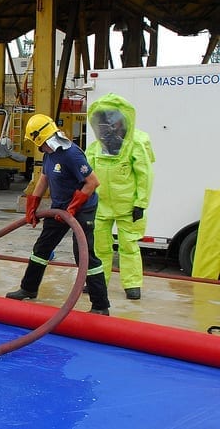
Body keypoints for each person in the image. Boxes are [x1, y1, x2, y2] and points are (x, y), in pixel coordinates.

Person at [5, 114, 111, 315]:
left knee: (84, 255)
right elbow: (44, 179)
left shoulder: (72, 155)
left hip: (81, 210)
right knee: (42, 248)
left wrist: (72, 209)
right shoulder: (49, 154)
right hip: (59, 208)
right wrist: (32, 205)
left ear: (41, 138)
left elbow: (92, 183)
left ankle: (100, 305)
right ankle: (28, 288)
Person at [86, 93, 155, 300]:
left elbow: (145, 176)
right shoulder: (96, 148)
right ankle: (98, 282)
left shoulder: (135, 146)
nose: (106, 127)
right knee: (99, 247)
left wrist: (140, 203)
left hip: (127, 207)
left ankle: (132, 284)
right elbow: (85, 176)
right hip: (101, 206)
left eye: (110, 122)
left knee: (129, 246)